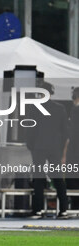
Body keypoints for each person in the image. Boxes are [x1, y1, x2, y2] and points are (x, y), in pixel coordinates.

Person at [26, 81, 68, 218]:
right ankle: (63, 209)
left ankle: (38, 210)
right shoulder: (60, 108)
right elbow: (65, 131)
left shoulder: (34, 108)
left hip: (39, 146)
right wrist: (61, 148)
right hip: (54, 147)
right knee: (58, 178)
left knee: (38, 177)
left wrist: (30, 145)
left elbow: (30, 128)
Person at [62, 87, 79, 209]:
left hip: (74, 151)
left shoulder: (75, 111)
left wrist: (64, 154)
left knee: (72, 180)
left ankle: (75, 206)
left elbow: (70, 135)